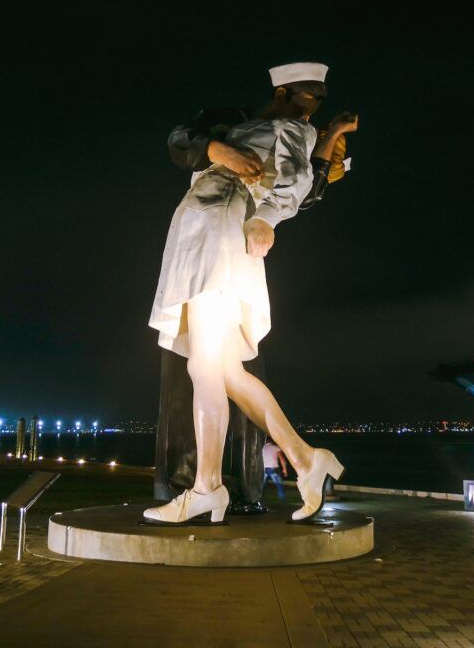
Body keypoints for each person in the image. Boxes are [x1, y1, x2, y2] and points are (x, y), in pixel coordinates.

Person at [146, 61, 355, 524]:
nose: (313, 106)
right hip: (204, 228)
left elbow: (298, 181)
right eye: (307, 97)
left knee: (206, 367)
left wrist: (267, 218)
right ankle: (304, 459)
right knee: (225, 372)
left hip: (217, 230)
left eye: (318, 100)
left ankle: (207, 488)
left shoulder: (289, 128)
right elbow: (184, 141)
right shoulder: (251, 125)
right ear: (282, 93)